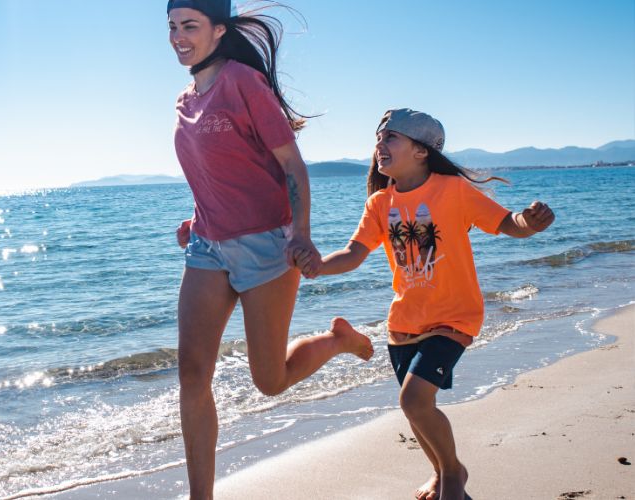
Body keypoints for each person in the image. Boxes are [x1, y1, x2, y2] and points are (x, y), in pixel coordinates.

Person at [167, 0, 374, 497]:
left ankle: (339, 341)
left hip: (267, 247)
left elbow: (292, 166)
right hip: (207, 248)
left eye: (189, 26)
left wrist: (301, 233)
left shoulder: (243, 82)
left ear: (219, 31)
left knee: (270, 380)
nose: (178, 36)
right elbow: (219, 169)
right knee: (193, 374)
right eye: (172, 26)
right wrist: (198, 219)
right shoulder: (185, 99)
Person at [296, 108, 555, 500]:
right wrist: (317, 266)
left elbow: (507, 224)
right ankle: (443, 472)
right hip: (404, 322)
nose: (379, 146)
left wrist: (529, 223)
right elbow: (353, 252)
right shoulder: (380, 203)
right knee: (415, 409)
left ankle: (452, 475)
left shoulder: (453, 190)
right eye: (378, 140)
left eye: (390, 138)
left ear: (421, 151)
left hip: (454, 317)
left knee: (414, 399)